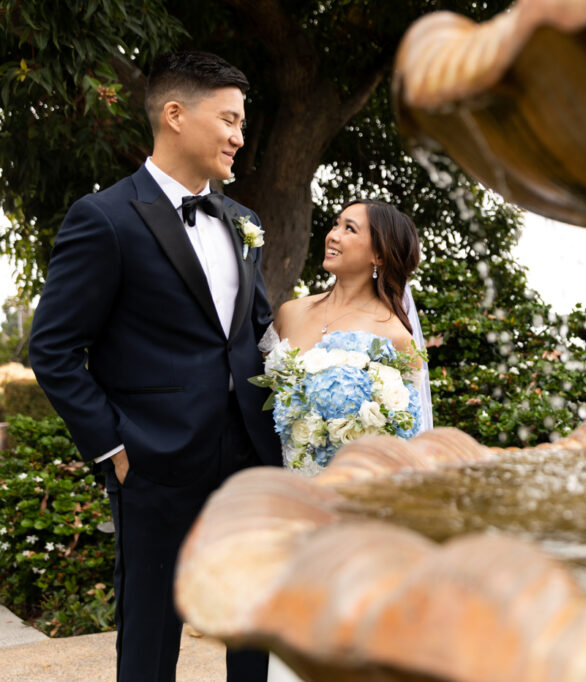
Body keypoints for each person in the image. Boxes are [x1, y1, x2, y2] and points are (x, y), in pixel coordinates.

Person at [29, 51, 281, 681]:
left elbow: (256, 335)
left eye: (242, 123)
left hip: (250, 456)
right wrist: (113, 447)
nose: (238, 137)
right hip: (154, 461)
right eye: (228, 119)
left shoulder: (242, 221)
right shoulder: (105, 218)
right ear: (175, 114)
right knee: (150, 637)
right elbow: (54, 350)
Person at [260, 199, 430, 682]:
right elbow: (254, 405)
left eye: (349, 229)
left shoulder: (395, 337)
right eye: (335, 224)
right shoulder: (291, 314)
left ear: (378, 255)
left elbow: (406, 444)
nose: (332, 234)